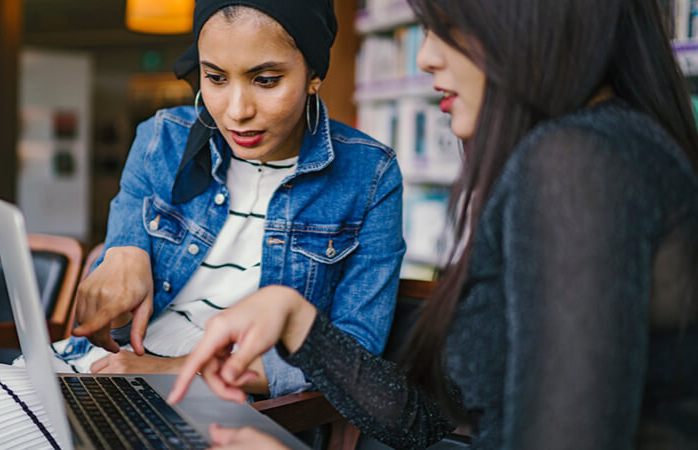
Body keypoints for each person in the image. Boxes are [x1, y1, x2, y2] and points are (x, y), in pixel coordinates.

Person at [0, 1, 406, 447]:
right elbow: (116, 268)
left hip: (220, 406)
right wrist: (122, 250)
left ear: (313, 74)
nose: (235, 110)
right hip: (96, 373)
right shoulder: (164, 137)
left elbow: (349, 357)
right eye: (215, 77)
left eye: (265, 79)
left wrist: (167, 368)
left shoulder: (370, 176)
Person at [170, 0, 698, 448]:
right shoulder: (597, 149)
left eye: (447, 27)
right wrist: (296, 321)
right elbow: (429, 423)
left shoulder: (578, 163)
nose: (425, 57)